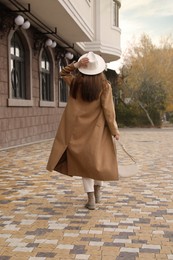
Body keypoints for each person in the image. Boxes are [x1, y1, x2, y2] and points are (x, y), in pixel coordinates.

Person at [46, 51, 120, 210]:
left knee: (85, 165)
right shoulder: (105, 86)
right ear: (99, 69)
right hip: (98, 132)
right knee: (97, 162)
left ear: (84, 69)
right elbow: (109, 111)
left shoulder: (75, 83)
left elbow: (62, 73)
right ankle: (98, 192)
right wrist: (114, 130)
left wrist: (76, 65)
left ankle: (91, 198)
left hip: (77, 132)